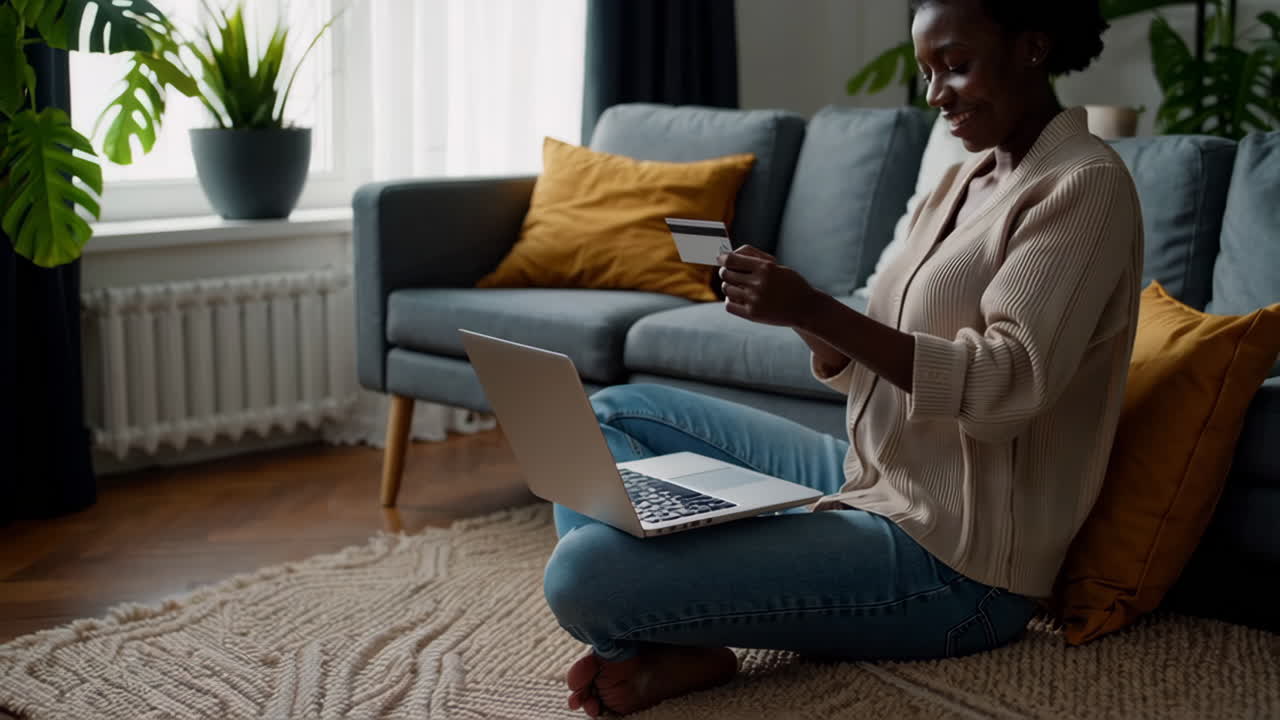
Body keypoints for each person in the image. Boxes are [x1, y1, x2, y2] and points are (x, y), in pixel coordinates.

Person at [544, 0, 1144, 715]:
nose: (934, 96)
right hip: (869, 478)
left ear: (1033, 47)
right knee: (605, 418)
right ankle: (662, 641)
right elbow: (877, 355)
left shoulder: (1084, 185)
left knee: (583, 574)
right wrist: (798, 315)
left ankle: (643, 623)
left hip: (962, 565)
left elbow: (1003, 385)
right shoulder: (958, 179)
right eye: (926, 72)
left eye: (955, 67)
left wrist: (810, 307)